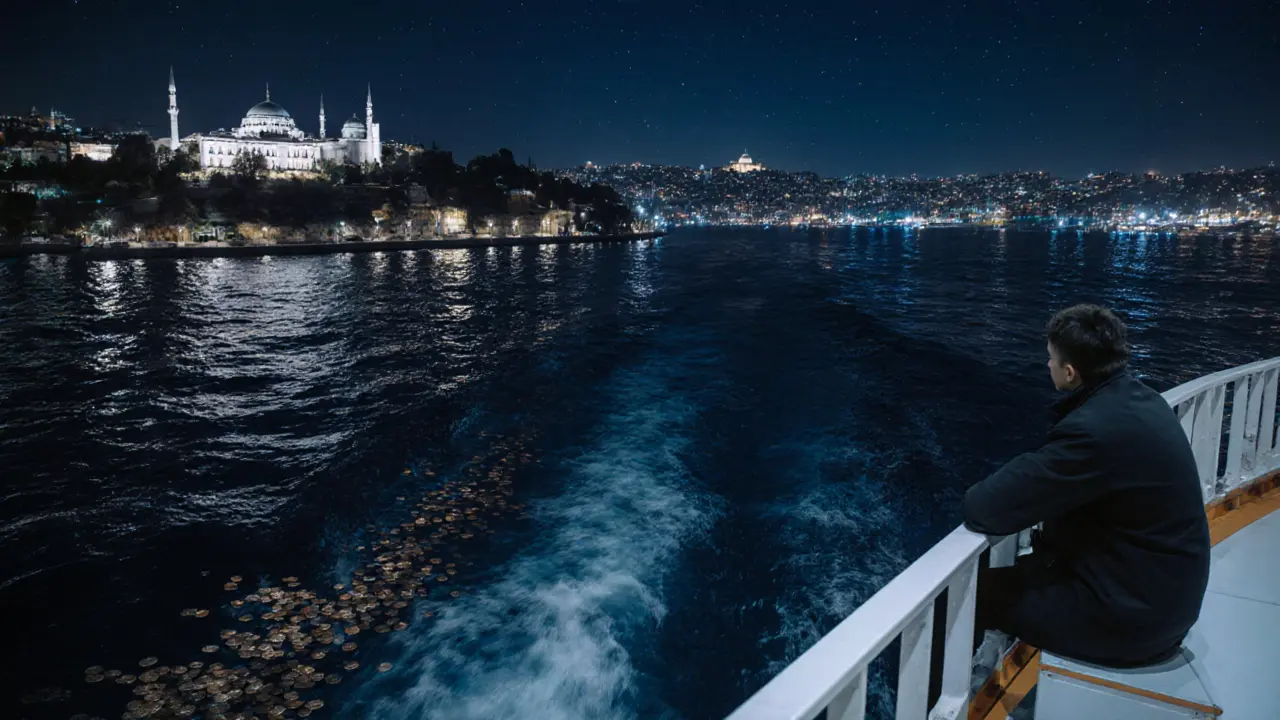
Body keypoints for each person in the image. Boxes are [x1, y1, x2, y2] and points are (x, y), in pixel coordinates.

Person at [962, 304, 1210, 667]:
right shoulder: (1143, 400)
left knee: (967, 597)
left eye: (1051, 358)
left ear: (1070, 371)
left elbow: (983, 507)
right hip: (1162, 600)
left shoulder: (1094, 432)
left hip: (1133, 622)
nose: (1047, 365)